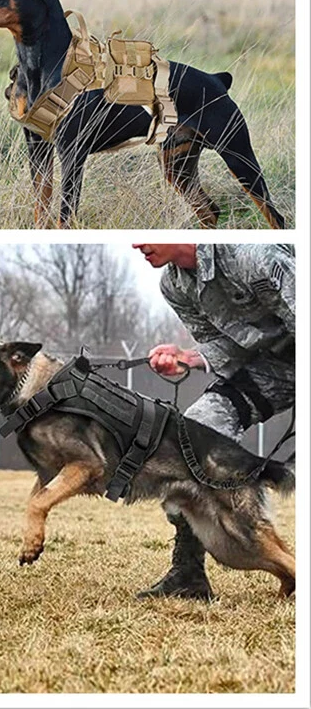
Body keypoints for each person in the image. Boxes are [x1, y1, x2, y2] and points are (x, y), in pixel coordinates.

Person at [132, 243, 295, 600]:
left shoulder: (254, 256)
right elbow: (228, 347)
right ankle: (188, 576)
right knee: (190, 439)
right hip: (272, 370)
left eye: (146, 235)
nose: (137, 243)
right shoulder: (174, 285)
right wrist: (188, 357)